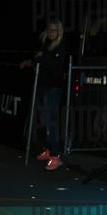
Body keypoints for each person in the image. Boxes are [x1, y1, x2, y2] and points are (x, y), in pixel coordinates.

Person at [20, 19, 67, 171]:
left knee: (51, 120)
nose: (51, 32)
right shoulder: (46, 44)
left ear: (59, 32)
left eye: (54, 30)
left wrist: (43, 56)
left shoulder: (59, 47)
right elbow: (39, 61)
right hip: (42, 85)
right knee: (43, 119)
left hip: (52, 88)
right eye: (49, 29)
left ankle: (55, 156)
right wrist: (31, 62)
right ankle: (49, 149)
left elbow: (56, 70)